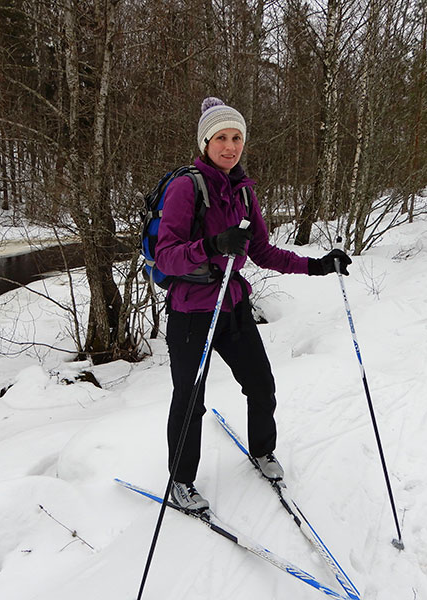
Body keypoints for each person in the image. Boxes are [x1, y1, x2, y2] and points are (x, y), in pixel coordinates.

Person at [156, 97, 352, 511]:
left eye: (237, 138)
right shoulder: (184, 187)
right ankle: (181, 480)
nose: (231, 146)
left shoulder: (243, 191)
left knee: (261, 385)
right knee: (190, 400)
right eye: (222, 138)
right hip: (192, 312)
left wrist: (318, 266)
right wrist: (211, 245)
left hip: (233, 306)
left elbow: (262, 251)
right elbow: (166, 256)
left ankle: (262, 451)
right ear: (206, 141)